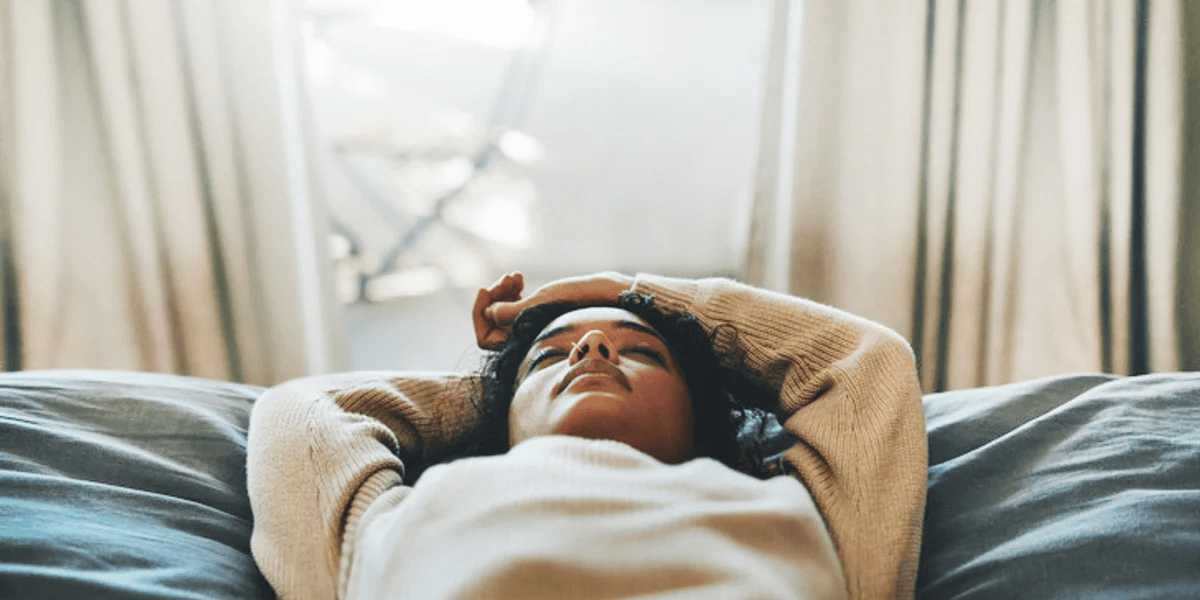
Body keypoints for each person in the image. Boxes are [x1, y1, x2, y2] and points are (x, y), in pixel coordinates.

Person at [246, 272, 927, 600]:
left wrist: (625, 289)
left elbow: (866, 363)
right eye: (554, 355)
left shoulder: (796, 510)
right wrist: (494, 389)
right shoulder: (403, 516)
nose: (594, 344)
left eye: (643, 352)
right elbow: (303, 412)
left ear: (701, 417)